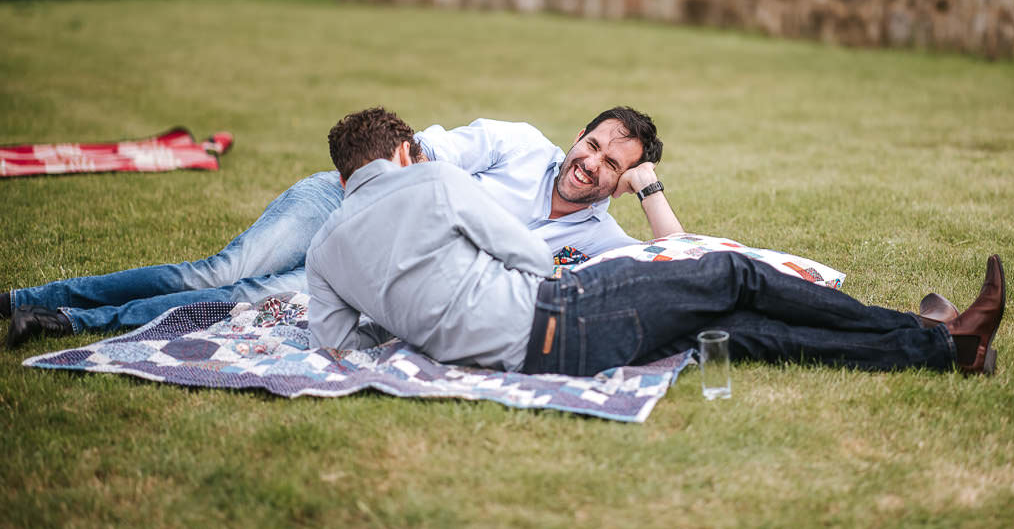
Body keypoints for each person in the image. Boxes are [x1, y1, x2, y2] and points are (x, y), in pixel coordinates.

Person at [307, 108, 1005, 376]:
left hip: (539, 347)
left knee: (738, 332)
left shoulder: (325, 250)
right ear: (403, 152)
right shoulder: (434, 184)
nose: (593, 161)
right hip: (562, 317)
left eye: (614, 161)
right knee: (734, 276)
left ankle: (941, 347)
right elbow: (525, 259)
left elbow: (342, 344)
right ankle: (938, 334)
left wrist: (416, 313)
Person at [3, 107, 683, 349]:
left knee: (243, 300)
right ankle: (25, 298)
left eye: (613, 164)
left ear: (623, 180)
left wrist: (650, 186)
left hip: (378, 263)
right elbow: (413, 154)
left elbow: (680, 257)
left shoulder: (597, 238)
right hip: (342, 201)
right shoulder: (518, 144)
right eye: (591, 145)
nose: (589, 164)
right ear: (577, 136)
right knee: (219, 272)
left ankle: (64, 322)